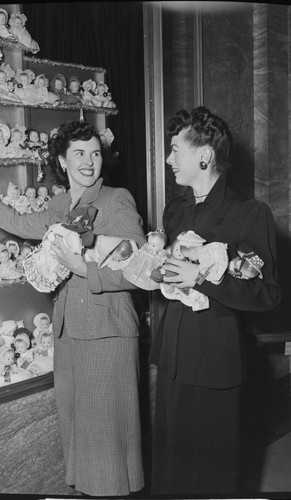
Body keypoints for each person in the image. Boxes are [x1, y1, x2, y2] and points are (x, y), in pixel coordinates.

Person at [0, 119, 146, 496]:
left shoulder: (116, 199)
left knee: (107, 445)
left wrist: (82, 267)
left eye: (96, 154)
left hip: (107, 333)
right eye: (79, 154)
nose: (89, 162)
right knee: (80, 437)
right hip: (70, 335)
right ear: (62, 159)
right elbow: (17, 221)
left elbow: (137, 268)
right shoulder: (58, 204)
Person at [149, 106, 282, 495]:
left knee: (211, 476)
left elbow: (267, 294)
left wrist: (203, 278)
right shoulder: (175, 211)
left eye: (176, 150)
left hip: (215, 363)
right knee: (172, 468)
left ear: (204, 155)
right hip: (173, 355)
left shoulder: (249, 214)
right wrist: (154, 269)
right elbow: (172, 279)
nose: (169, 159)